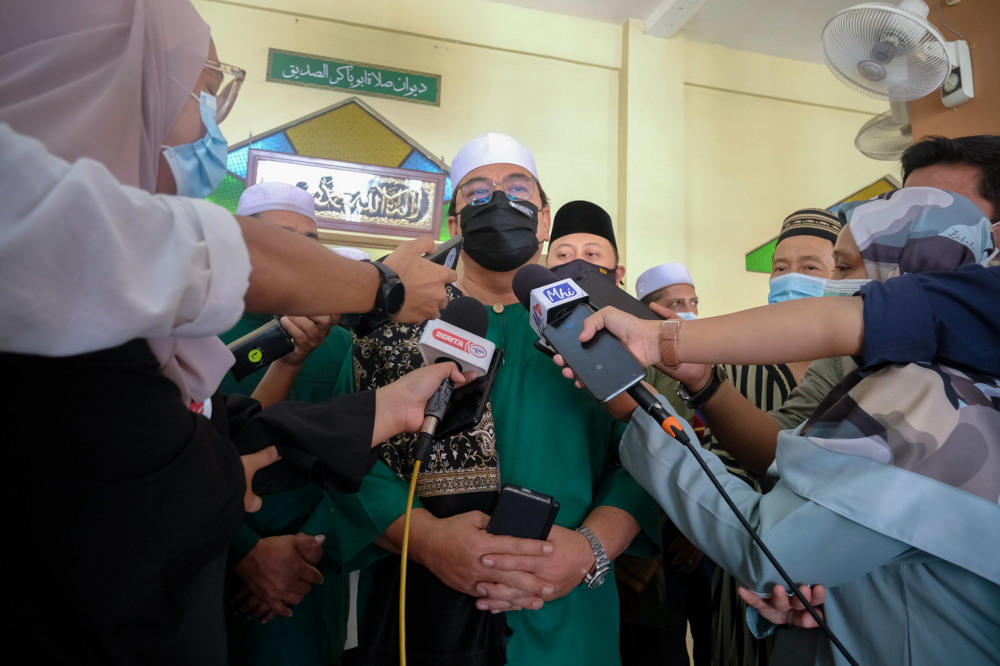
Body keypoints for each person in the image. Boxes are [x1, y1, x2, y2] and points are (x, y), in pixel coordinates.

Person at [0, 3, 455, 663]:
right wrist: (381, 286)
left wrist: (381, 411)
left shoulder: (137, 328)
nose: (213, 123)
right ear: (120, 84)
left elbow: (202, 434)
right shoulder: (48, 240)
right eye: (208, 91)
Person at [561, 186, 999, 665]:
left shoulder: (928, 397)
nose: (833, 285)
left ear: (900, 275)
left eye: (844, 269)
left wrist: (637, 413)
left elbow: (768, 552)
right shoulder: (918, 380)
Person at [347, 134, 660, 666]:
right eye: (477, 192)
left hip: (566, 613)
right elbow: (347, 448)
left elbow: (644, 457)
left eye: (517, 190)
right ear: (453, 222)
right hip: (423, 604)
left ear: (543, 220)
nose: (498, 202)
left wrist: (588, 548)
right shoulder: (393, 321)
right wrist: (426, 540)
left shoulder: (599, 324)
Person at [220, 181, 354, 666]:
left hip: (309, 575)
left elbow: (360, 454)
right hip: (216, 566)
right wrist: (245, 551)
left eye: (309, 244)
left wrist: (308, 549)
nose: (296, 255)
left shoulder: (341, 346)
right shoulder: (194, 332)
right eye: (280, 238)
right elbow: (179, 457)